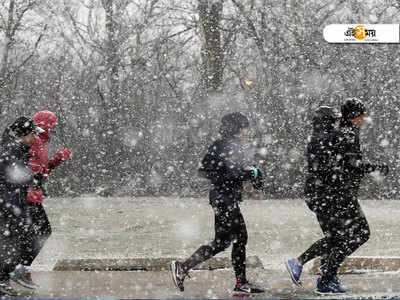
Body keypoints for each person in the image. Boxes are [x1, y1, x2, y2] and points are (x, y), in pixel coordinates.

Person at [285, 101, 389, 294]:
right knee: (353, 235)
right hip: (333, 195)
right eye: (334, 121)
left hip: (326, 195)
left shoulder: (324, 137)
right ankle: (314, 269)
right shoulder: (336, 136)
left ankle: (324, 272)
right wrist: (375, 168)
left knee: (337, 238)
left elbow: (342, 163)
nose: (337, 123)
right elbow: (351, 163)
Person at [170, 112, 264, 297]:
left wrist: (230, 173)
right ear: (237, 128)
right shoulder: (232, 146)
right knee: (240, 238)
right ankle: (240, 283)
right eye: (244, 127)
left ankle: (184, 267)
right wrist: (252, 173)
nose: (246, 130)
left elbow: (204, 170)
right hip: (226, 199)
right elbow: (233, 172)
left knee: (222, 241)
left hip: (220, 198)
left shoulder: (219, 144)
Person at [11, 110, 71, 289]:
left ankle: (18, 269)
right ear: (45, 127)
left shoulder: (40, 143)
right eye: (52, 128)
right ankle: (20, 269)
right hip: (27, 197)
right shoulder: (34, 142)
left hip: (31, 196)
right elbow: (31, 170)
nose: (54, 132)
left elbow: (41, 171)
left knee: (30, 234)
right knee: (42, 231)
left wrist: (56, 160)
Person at [0, 117, 44, 296]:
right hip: (7, 203)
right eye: (33, 133)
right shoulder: (13, 149)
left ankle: (4, 278)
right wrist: (34, 177)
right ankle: (3, 280)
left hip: (10, 202)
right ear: (24, 135)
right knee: (12, 242)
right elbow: (13, 176)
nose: (35, 137)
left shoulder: (16, 148)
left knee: (14, 241)